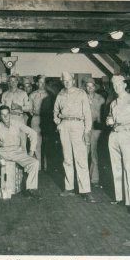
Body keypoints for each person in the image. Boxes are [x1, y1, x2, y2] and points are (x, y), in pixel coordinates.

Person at [54, 71, 95, 202]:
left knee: (81, 159)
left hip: (78, 125)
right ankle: (69, 188)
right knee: (67, 159)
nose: (67, 82)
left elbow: (87, 113)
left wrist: (87, 131)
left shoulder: (81, 93)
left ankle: (85, 191)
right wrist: (59, 124)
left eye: (69, 80)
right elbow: (55, 112)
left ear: (73, 80)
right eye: (64, 81)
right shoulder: (60, 95)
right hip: (65, 125)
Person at [0, 106, 40, 200]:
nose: (6, 117)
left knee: (34, 162)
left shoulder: (17, 123)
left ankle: (31, 189)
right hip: (3, 152)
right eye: (3, 115)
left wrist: (32, 150)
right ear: (0, 116)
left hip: (17, 152)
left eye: (7, 114)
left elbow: (33, 133)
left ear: (10, 114)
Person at [107, 75, 130, 214]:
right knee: (115, 167)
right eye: (114, 85)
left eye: (119, 84)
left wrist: (126, 127)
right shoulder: (113, 103)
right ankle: (119, 197)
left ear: (125, 85)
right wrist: (109, 121)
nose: (116, 87)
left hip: (127, 135)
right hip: (114, 135)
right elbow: (110, 117)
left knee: (129, 167)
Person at [28, 75, 53, 170]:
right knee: (36, 143)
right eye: (40, 82)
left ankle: (47, 166)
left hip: (48, 120)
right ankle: (38, 166)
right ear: (37, 83)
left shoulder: (50, 95)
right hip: (36, 119)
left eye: (43, 83)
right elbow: (30, 109)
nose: (41, 85)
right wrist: (35, 113)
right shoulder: (32, 94)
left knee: (47, 143)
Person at [85, 77, 105, 187]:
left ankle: (94, 179)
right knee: (84, 153)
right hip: (85, 128)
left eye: (92, 86)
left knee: (94, 154)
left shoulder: (100, 98)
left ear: (95, 87)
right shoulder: (82, 98)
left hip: (96, 128)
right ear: (85, 87)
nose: (90, 88)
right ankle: (83, 179)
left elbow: (103, 115)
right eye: (88, 86)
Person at [1, 75, 29, 150]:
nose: (13, 83)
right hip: (8, 120)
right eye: (11, 81)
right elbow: (1, 108)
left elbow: (28, 108)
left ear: (17, 82)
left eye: (14, 81)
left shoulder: (23, 93)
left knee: (22, 142)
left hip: (19, 119)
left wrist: (19, 107)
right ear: (8, 83)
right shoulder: (5, 94)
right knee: (9, 142)